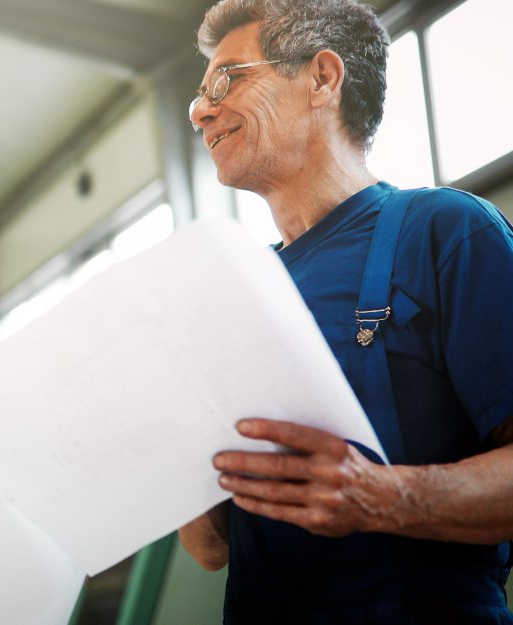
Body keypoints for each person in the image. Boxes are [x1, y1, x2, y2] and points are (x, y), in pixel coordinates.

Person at [181, 0, 513, 622]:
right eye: (199, 94)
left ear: (323, 79)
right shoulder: (235, 293)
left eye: (229, 79)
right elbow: (208, 548)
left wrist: (385, 497)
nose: (202, 109)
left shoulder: (446, 233)